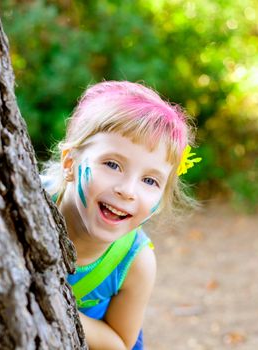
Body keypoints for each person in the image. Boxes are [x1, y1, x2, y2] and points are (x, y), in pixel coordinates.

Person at [41, 81, 200, 349]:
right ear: (69, 163)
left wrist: (53, 306)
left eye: (150, 181)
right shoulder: (27, 201)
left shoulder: (135, 262)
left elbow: (119, 344)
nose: (127, 191)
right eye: (112, 164)